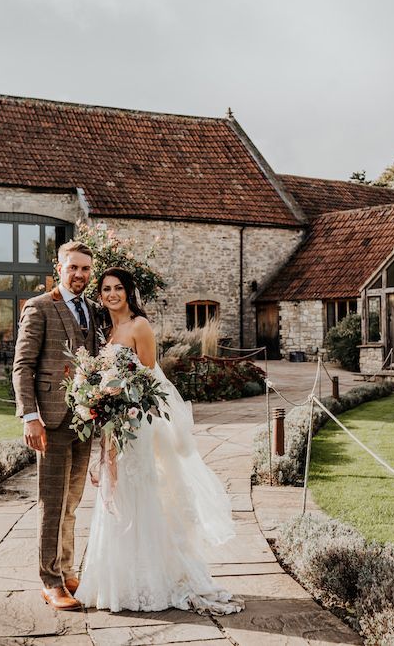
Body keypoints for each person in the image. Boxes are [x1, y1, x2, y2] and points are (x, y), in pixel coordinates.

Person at [76, 267, 244, 615]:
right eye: (106, 289)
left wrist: (116, 394)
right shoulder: (109, 330)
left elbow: (150, 378)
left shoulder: (139, 326)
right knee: (115, 494)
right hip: (114, 425)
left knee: (140, 496)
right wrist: (98, 399)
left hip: (137, 425)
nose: (111, 294)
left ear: (128, 291)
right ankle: (119, 582)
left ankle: (154, 580)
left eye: (118, 288)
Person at [12, 240, 100, 611]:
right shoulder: (40, 307)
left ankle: (66, 568)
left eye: (85, 269)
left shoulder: (94, 310)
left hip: (85, 420)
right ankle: (50, 581)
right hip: (49, 420)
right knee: (51, 503)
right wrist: (29, 417)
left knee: (73, 502)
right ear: (59, 268)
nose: (79, 274)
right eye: (73, 267)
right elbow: (23, 366)